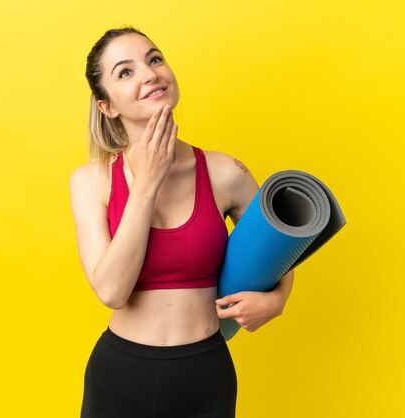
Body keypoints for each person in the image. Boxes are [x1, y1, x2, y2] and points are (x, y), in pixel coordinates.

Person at [69, 26, 295, 418]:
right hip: (120, 375)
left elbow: (280, 243)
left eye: (154, 59)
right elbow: (111, 291)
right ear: (107, 106)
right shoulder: (91, 181)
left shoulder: (226, 172)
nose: (149, 73)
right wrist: (146, 183)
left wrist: (278, 300)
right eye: (125, 72)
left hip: (205, 372)